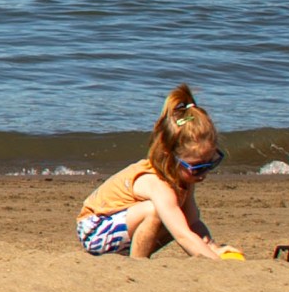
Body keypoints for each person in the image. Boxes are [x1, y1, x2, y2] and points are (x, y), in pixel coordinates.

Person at [77, 85, 239, 259]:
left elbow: (193, 223)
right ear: (170, 158)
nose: (203, 173)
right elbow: (183, 235)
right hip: (95, 230)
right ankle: (138, 262)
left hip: (123, 228)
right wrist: (215, 262)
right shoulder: (157, 183)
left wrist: (214, 249)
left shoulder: (184, 177)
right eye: (197, 167)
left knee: (177, 215)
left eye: (211, 163)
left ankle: (136, 257)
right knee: (156, 210)